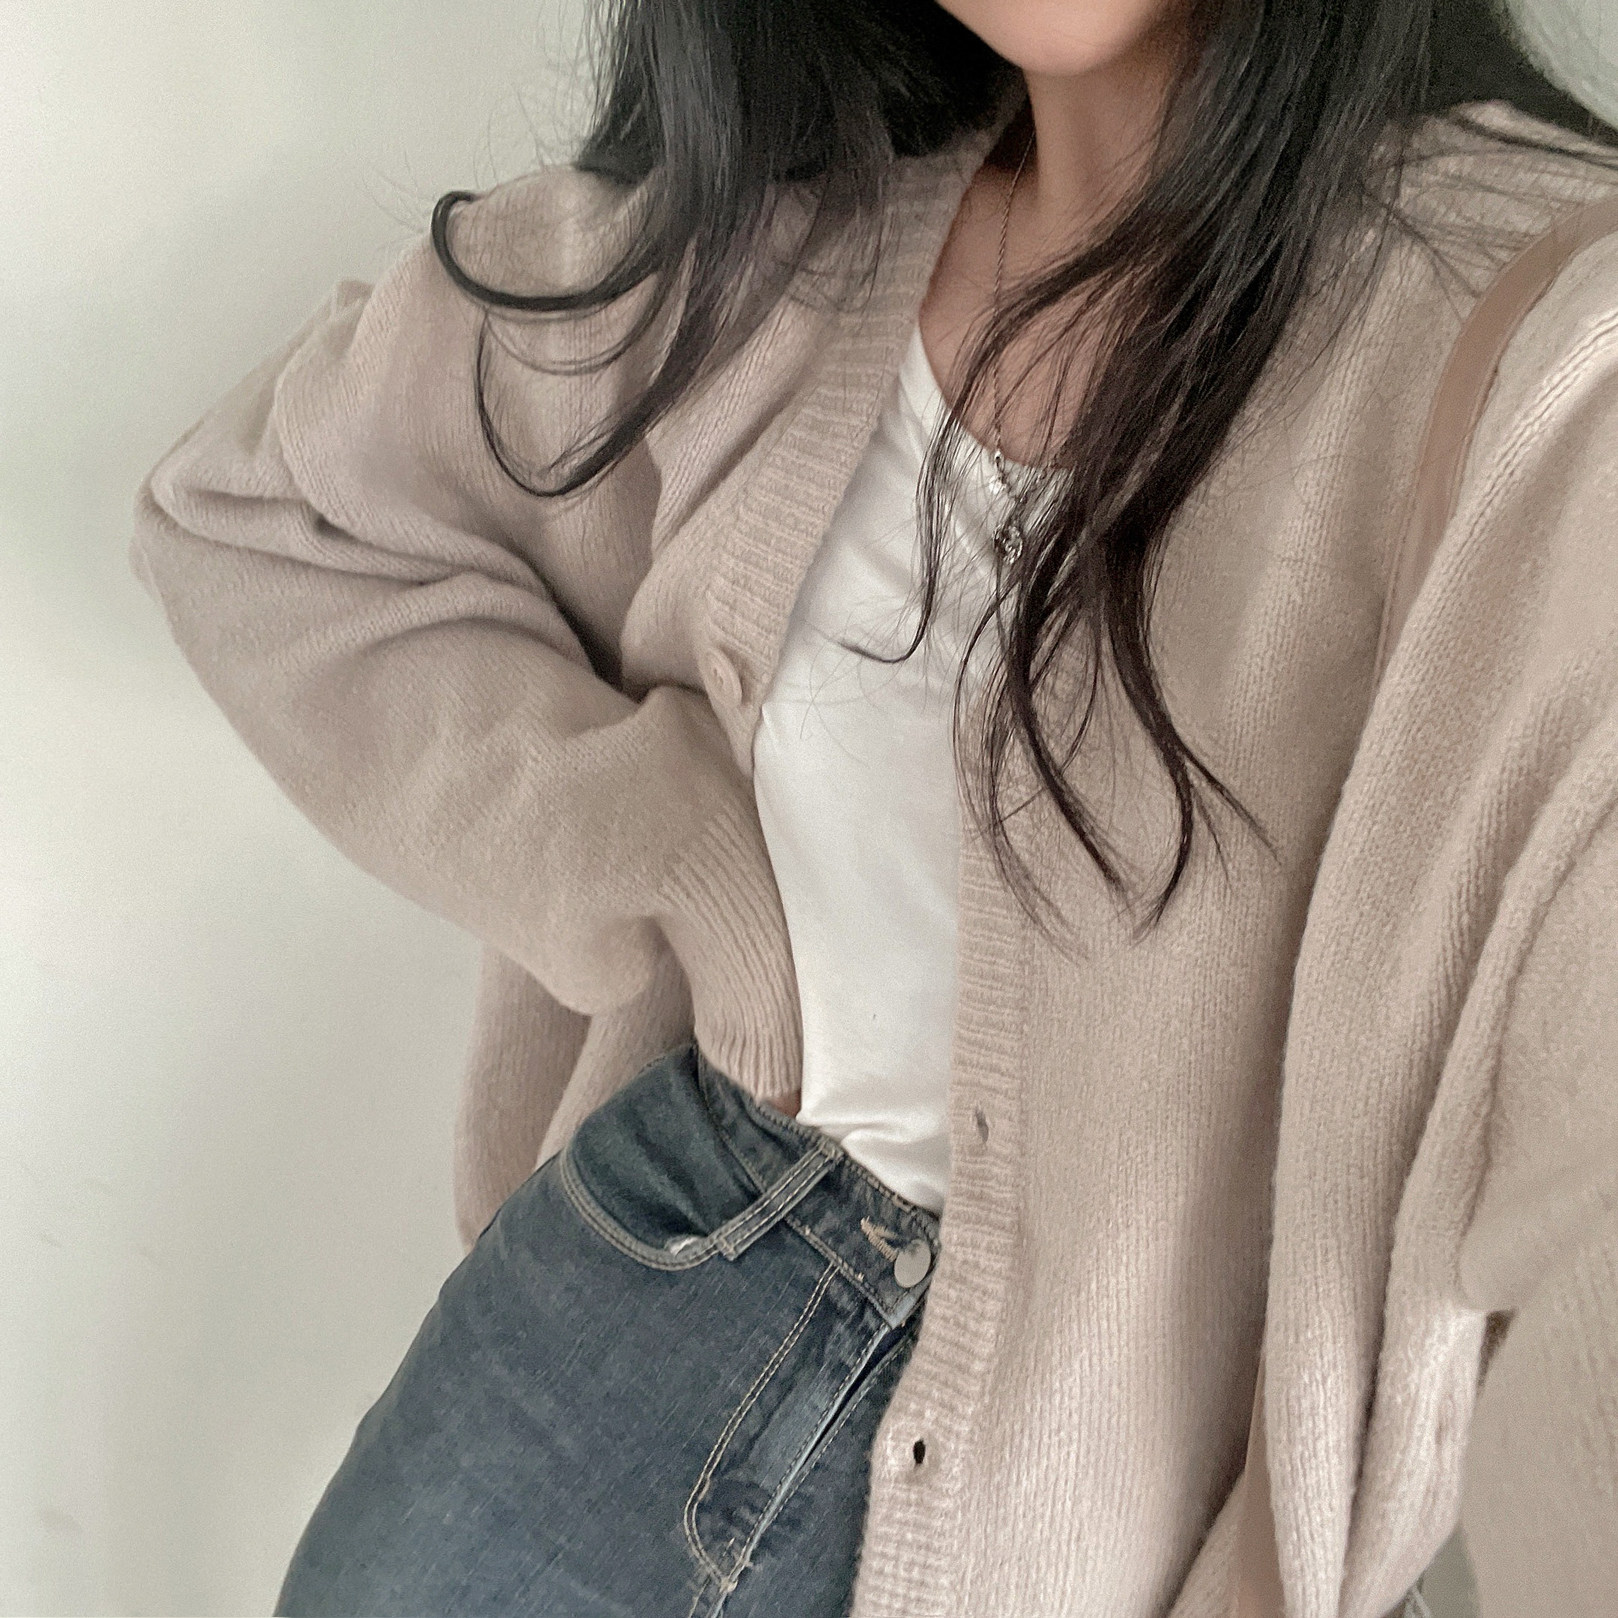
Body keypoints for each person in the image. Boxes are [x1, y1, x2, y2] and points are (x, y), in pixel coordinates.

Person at [129, 0, 1618, 1613]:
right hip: (612, 1342)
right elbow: (253, 513)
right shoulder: (779, 251)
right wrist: (675, 863)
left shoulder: (1550, 337)